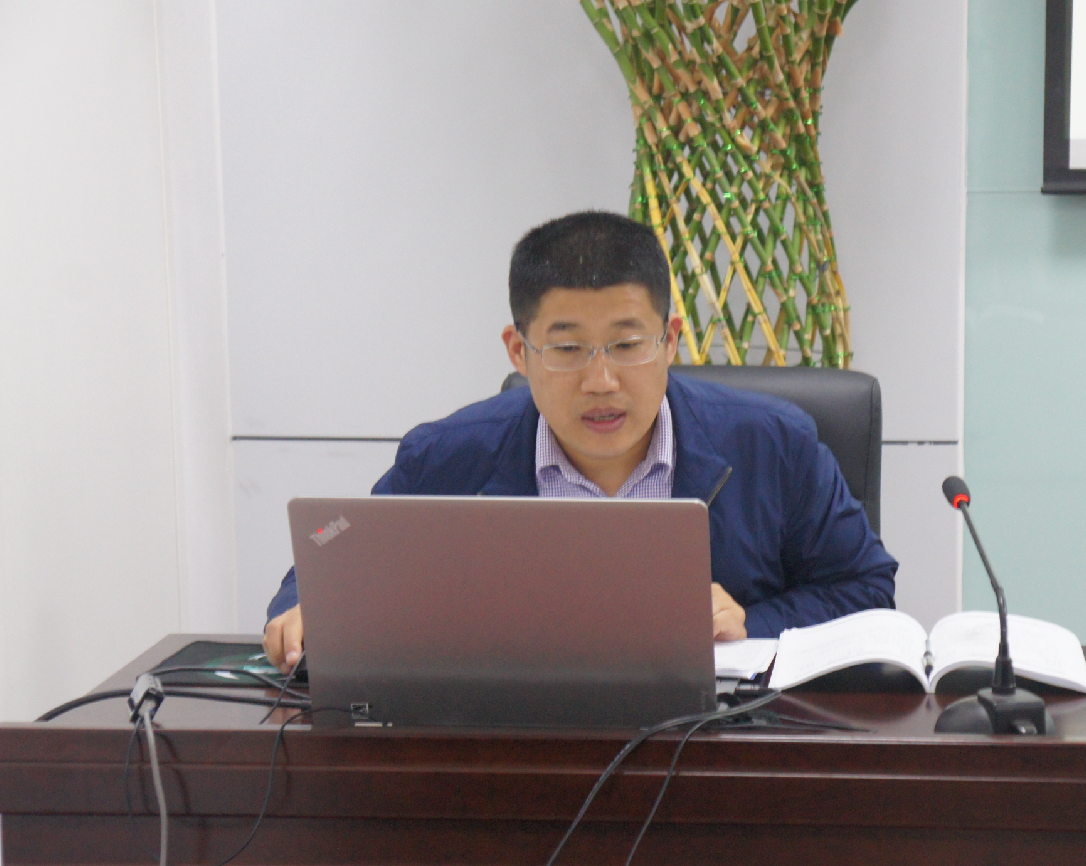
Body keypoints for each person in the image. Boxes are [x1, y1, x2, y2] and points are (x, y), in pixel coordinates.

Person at [263, 211, 897, 672]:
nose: (602, 381)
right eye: (567, 349)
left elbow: (868, 592)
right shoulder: (448, 456)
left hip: (718, 753)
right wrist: (305, 610)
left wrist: (753, 623)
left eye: (627, 345)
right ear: (519, 351)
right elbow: (329, 556)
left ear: (671, 341)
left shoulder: (774, 444)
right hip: (515, 749)